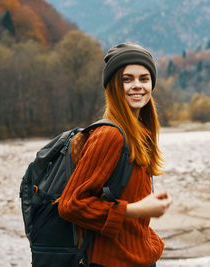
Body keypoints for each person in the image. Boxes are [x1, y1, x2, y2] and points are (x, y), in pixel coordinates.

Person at [58, 42, 173, 267]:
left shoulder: (141, 133)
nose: (137, 86)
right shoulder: (110, 135)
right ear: (113, 86)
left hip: (139, 256)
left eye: (144, 78)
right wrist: (134, 210)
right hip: (112, 261)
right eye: (127, 79)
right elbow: (71, 204)